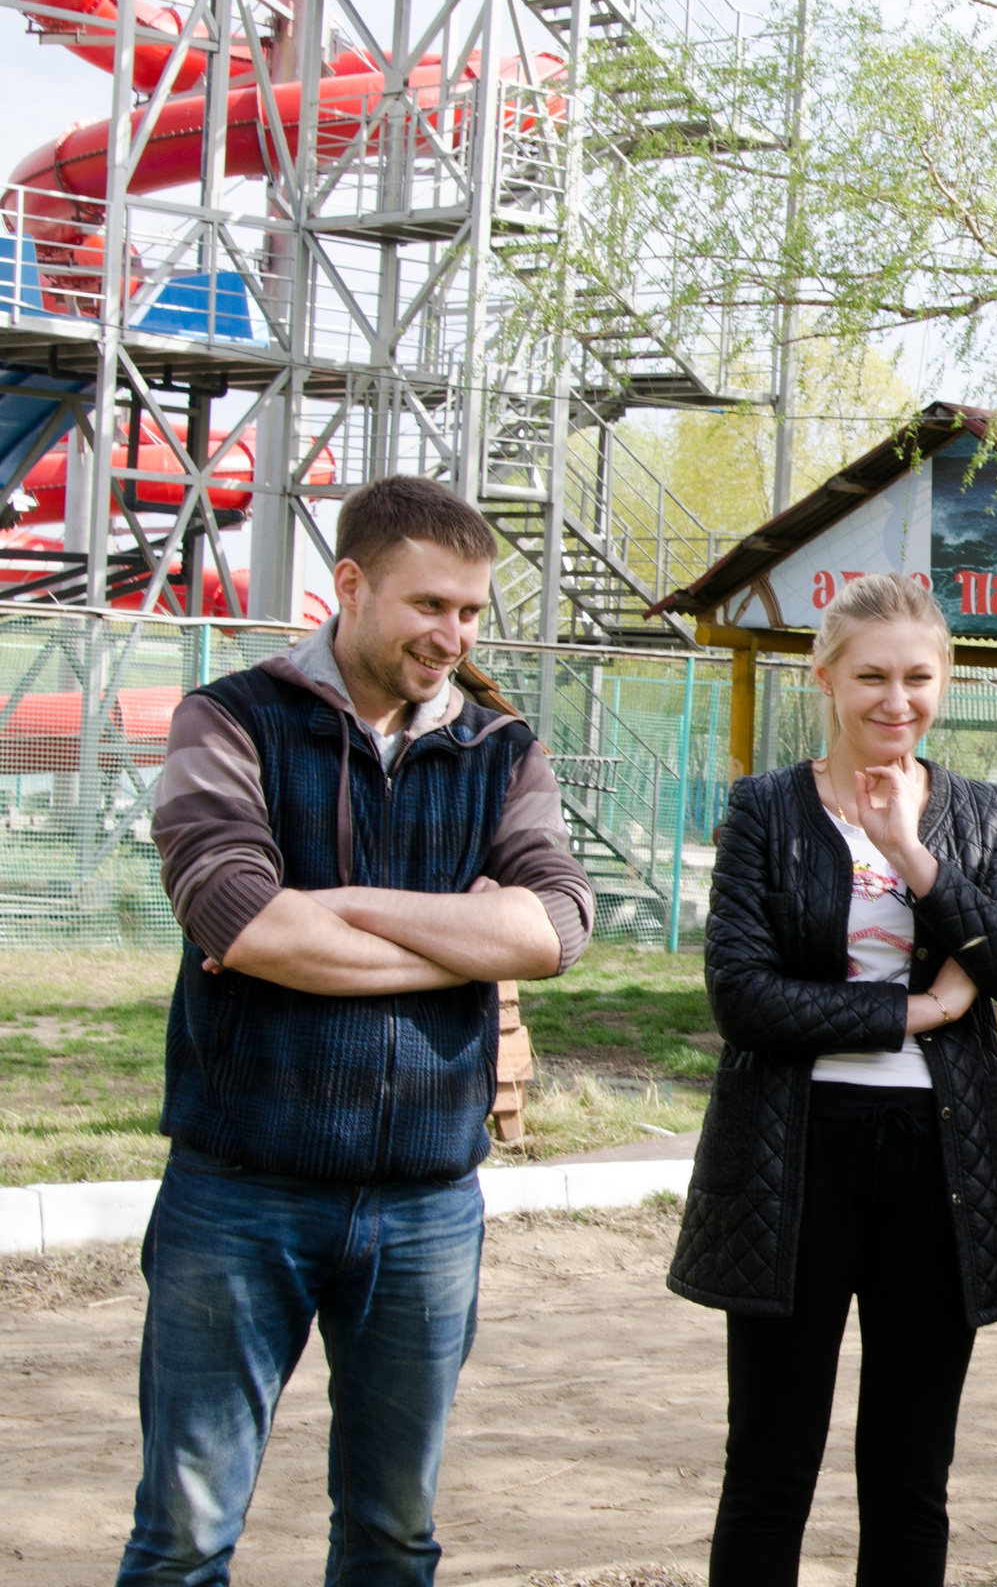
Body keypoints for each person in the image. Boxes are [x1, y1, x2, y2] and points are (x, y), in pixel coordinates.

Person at [134, 477, 595, 1587]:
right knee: (185, 1539)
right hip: (240, 1191)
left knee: (393, 1537)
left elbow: (555, 927)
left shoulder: (501, 749)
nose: (454, 635)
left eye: (471, 611)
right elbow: (242, 918)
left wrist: (334, 907)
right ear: (349, 584)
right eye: (429, 604)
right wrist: (461, 939)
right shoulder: (230, 719)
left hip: (426, 1204)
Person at [667, 573, 997, 1587]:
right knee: (770, 1464)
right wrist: (917, 1010)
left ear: (945, 681)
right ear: (826, 677)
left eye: (918, 678)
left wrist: (912, 858)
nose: (897, 701)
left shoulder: (980, 814)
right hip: (793, 1153)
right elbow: (743, 997)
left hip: (943, 1159)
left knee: (909, 1470)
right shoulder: (766, 810)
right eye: (872, 677)